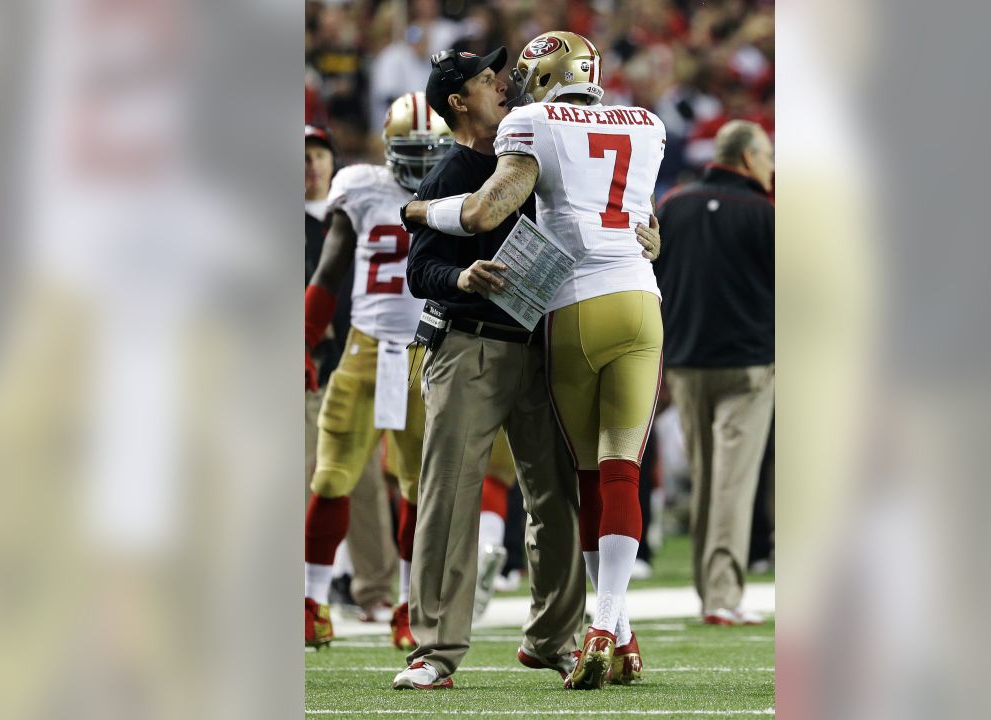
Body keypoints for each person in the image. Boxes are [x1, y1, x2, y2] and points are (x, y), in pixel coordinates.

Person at [402, 32, 666, 690]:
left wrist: (648, 232)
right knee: (452, 499)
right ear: (460, 104)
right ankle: (433, 651)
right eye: (489, 80)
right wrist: (459, 279)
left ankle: (555, 636)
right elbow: (421, 268)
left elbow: (610, 212)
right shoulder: (457, 168)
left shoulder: (541, 137)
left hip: (545, 340)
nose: (503, 83)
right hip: (473, 346)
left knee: (556, 500)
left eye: (506, 74)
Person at [302, 93, 453, 651]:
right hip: (378, 352)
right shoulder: (365, 187)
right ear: (388, 149)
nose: (419, 163)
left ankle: (399, 607)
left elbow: (328, 271)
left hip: (412, 353)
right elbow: (330, 268)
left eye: (429, 150)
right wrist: (305, 340)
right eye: (410, 151)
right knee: (336, 475)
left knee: (410, 486)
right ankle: (316, 601)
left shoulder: (458, 183)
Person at [653, 119, 775, 626]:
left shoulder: (673, 205)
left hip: (685, 364)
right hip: (746, 366)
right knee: (732, 480)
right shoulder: (765, 214)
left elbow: (651, 273)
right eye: (766, 156)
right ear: (747, 159)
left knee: (705, 478)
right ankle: (721, 595)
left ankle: (710, 591)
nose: (771, 166)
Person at [304, 125, 398, 625]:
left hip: (368, 357)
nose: (310, 165)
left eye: (318, 154)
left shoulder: (359, 202)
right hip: (314, 368)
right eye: (301, 157)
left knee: (367, 482)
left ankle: (378, 591)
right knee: (317, 477)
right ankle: (305, 592)